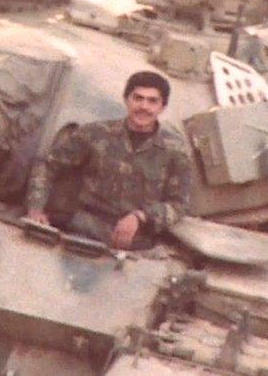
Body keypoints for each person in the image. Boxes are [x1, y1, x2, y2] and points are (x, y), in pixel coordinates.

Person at [25, 71, 191, 250]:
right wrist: (36, 208)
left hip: (136, 241)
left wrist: (141, 217)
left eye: (152, 101)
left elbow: (178, 204)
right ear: (127, 99)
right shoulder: (96, 134)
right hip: (83, 230)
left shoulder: (175, 151)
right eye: (138, 98)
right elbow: (48, 165)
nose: (144, 106)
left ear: (162, 107)